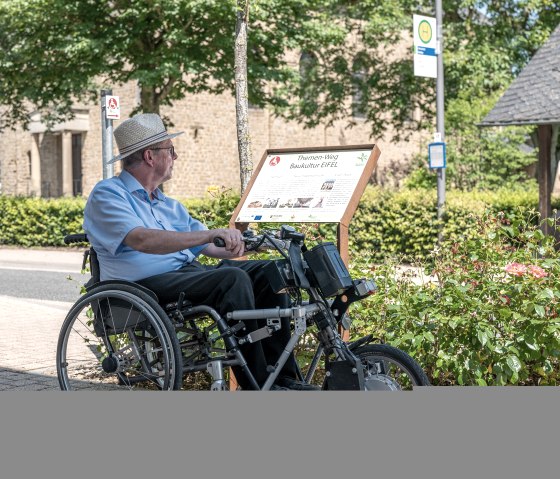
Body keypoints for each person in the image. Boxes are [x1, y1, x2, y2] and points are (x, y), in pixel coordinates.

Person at [83, 113, 318, 391]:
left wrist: (255, 242)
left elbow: (209, 245)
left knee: (273, 272)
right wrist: (209, 235)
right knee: (232, 279)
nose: (176, 156)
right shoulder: (108, 194)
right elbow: (141, 239)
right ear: (150, 156)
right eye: (171, 150)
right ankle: (258, 385)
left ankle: (283, 378)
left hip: (186, 276)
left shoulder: (169, 205)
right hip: (142, 287)